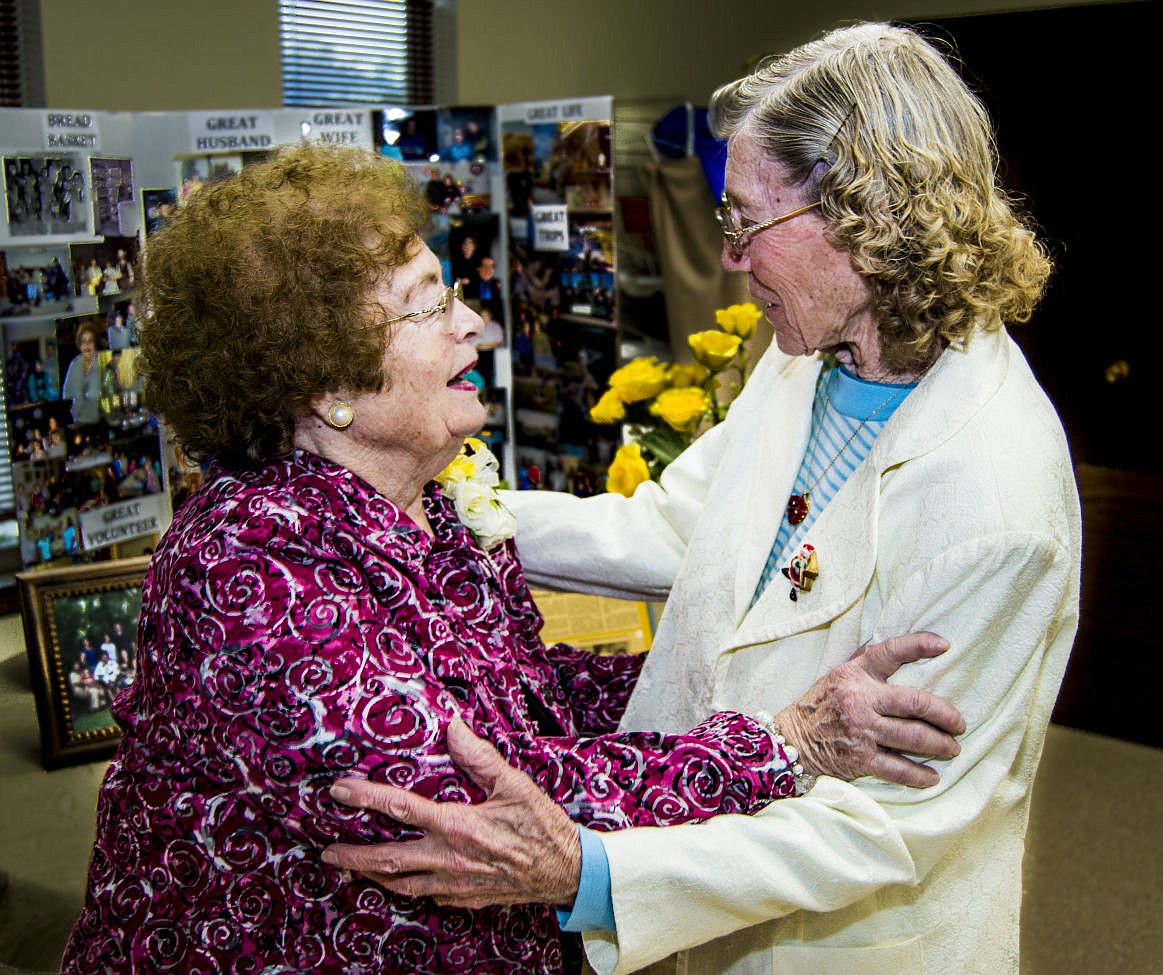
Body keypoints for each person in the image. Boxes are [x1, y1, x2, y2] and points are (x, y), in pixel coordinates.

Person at [61, 142, 961, 975]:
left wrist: (738, 673)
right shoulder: (247, 564)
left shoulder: (432, 505)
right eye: (428, 305)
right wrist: (781, 743)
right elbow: (480, 803)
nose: (475, 327)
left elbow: (524, 698)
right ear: (326, 383)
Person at [322, 22, 1081, 975]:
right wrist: (441, 509)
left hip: (846, 940)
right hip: (703, 861)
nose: (728, 258)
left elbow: (890, 822)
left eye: (744, 223)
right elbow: (684, 532)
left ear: (865, 219)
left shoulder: (994, 497)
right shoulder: (804, 355)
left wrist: (591, 871)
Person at [61, 321, 102, 427]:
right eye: (83, 341)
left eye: (90, 341)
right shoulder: (74, 364)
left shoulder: (104, 362)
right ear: (79, 345)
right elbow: (67, 395)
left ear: (96, 343)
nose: (87, 345)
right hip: (79, 422)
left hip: (101, 420)